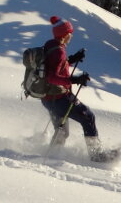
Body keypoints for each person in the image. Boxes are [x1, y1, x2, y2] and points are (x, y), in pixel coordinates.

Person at [42, 16, 109, 162]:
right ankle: (97, 156)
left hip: (47, 98)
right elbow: (51, 77)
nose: (71, 36)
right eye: (70, 33)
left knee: (62, 132)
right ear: (64, 35)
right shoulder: (59, 51)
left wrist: (72, 59)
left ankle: (52, 155)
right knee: (88, 116)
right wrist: (74, 79)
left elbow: (55, 65)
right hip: (58, 98)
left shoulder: (51, 45)